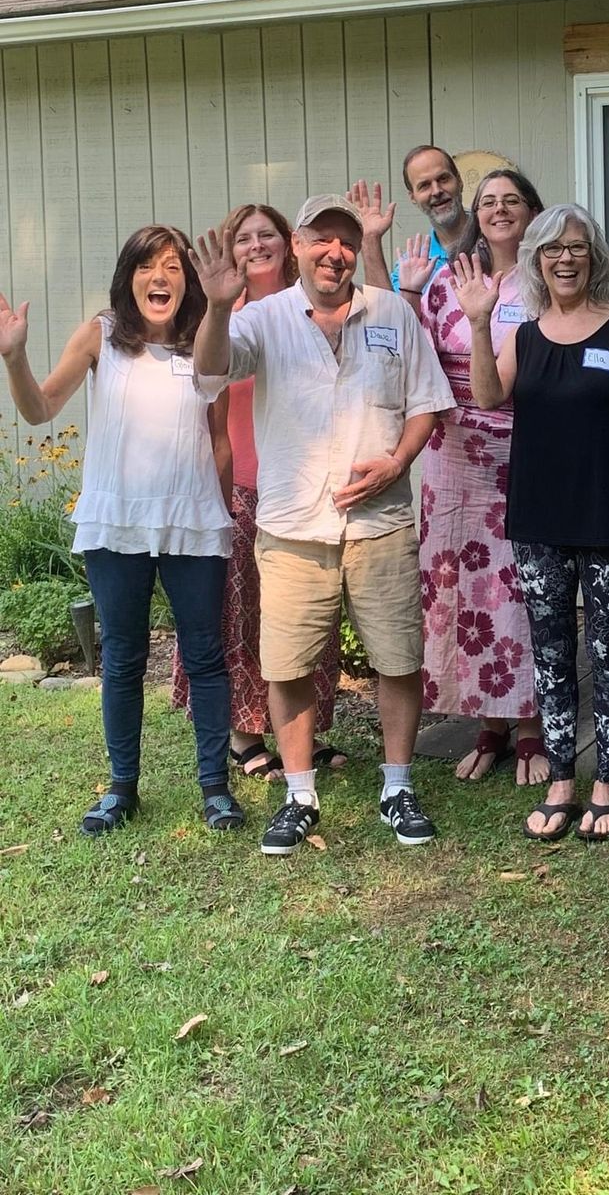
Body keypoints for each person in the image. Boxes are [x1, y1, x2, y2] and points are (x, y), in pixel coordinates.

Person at [192, 195, 454, 856]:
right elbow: (210, 371)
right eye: (321, 239)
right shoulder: (263, 319)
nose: (335, 252)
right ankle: (299, 794)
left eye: (346, 241)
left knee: (398, 659)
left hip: (381, 523)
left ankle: (398, 785)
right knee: (288, 667)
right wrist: (219, 306)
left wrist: (397, 461)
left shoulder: (390, 311)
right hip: (293, 526)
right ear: (299, 247)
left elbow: (426, 402)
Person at [0, 227, 240, 835]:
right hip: (116, 523)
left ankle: (216, 789)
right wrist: (13, 356)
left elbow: (219, 438)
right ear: (128, 275)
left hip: (191, 522)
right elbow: (40, 408)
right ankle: (122, 789)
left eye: (172, 267)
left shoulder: (204, 343)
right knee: (123, 659)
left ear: (188, 281)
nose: (159, 277)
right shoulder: (102, 336)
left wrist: (222, 515)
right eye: (145, 266)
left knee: (206, 657)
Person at [455, 204, 609, 842]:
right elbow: (489, 397)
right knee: (550, 655)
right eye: (552, 250)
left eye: (577, 248)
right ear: (537, 263)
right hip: (539, 517)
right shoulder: (524, 335)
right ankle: (560, 778)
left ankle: (606, 780)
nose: (565, 258)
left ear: (594, 258)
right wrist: (477, 319)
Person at [169, 203, 345, 780]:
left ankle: (302, 732)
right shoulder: (226, 319)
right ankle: (244, 735)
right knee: (243, 619)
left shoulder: (315, 306)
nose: (256, 245)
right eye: (243, 238)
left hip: (311, 493)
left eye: (266, 234)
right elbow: (213, 421)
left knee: (306, 620)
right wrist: (217, 500)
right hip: (245, 490)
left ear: (290, 243)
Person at [408, 167, 552, 785]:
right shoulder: (447, 279)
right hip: (453, 454)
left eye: (510, 200)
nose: (498, 211)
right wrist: (412, 295)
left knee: (520, 590)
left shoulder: (547, 278)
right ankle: (487, 725)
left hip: (525, 447)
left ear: (530, 210)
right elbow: (409, 363)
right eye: (487, 202)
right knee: (463, 591)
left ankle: (531, 730)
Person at [387, 146, 469, 293]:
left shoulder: (498, 241)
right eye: (424, 186)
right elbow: (389, 313)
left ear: (459, 181)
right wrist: (371, 240)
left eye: (443, 179)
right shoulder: (408, 269)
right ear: (413, 197)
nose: (437, 191)